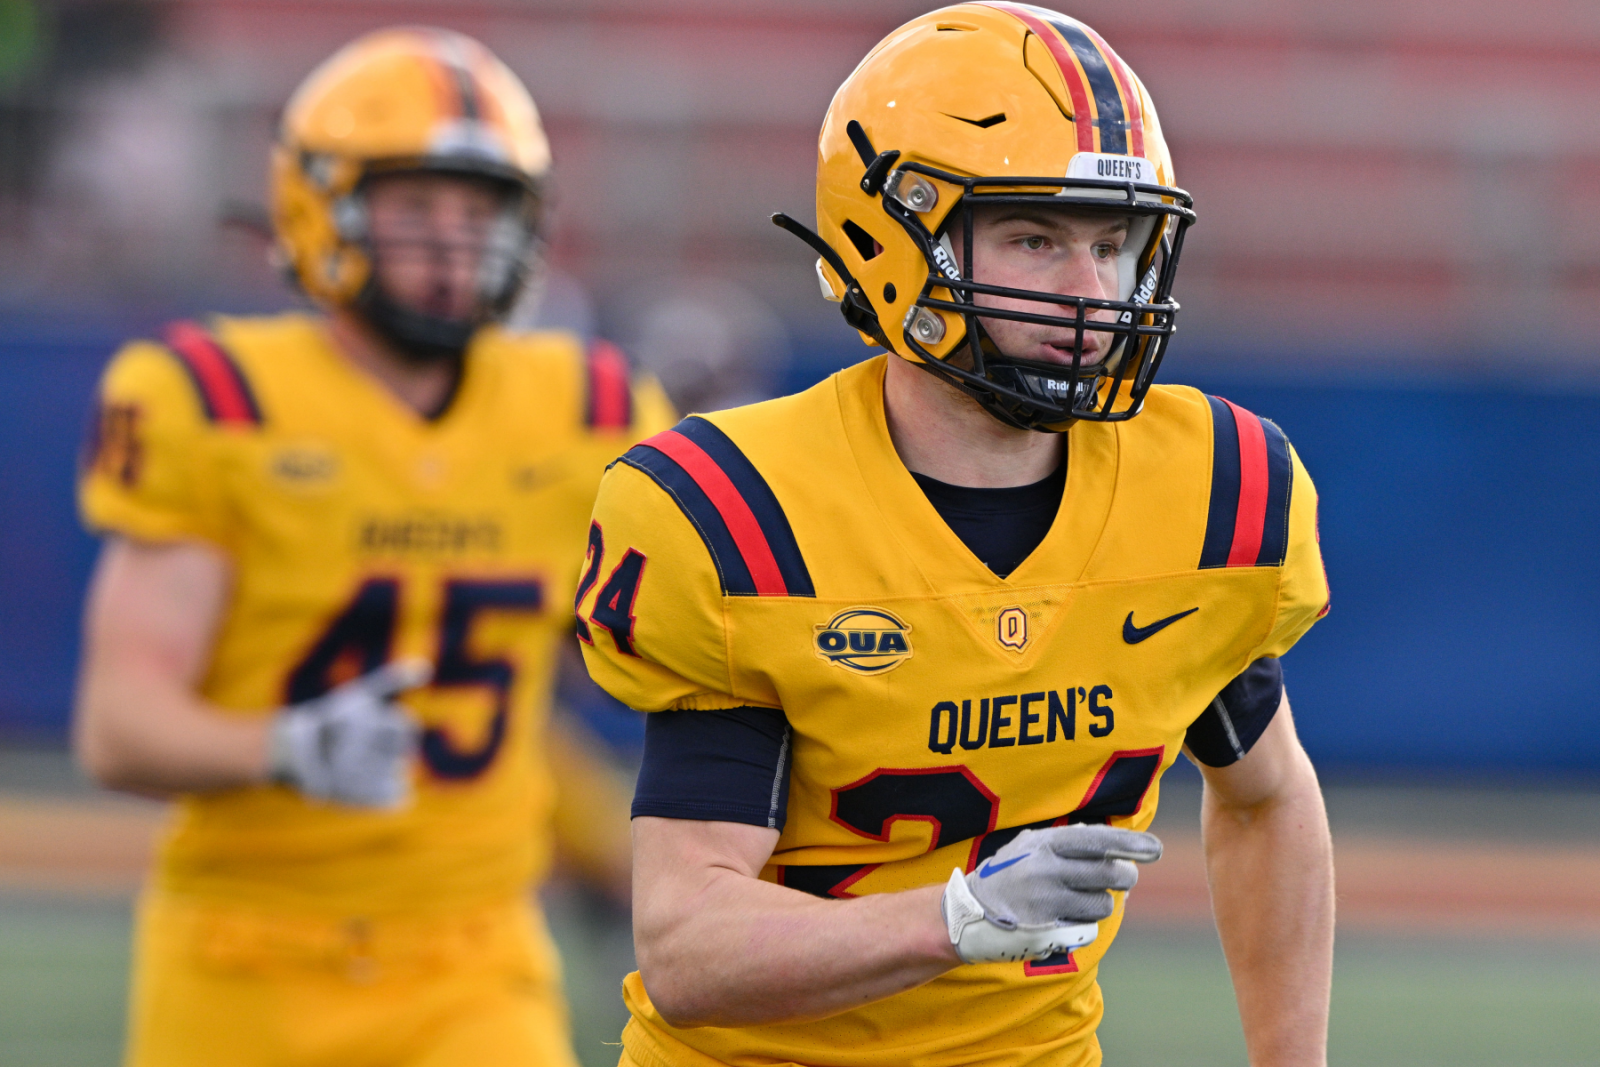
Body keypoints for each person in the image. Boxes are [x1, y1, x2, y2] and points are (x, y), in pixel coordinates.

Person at [577, 5, 1334, 1067]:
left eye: (1110, 245)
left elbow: (1268, 795)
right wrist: (959, 915)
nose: (1090, 295)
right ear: (888, 241)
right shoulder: (739, 512)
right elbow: (687, 947)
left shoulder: (1213, 489)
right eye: (1034, 239)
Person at [74, 27, 671, 1067]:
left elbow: (634, 675)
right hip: (243, 953)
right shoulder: (215, 400)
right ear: (318, 208)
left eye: (478, 211)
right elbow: (119, 725)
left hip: (474, 956)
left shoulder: (591, 407)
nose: (453, 244)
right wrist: (287, 746)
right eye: (416, 208)